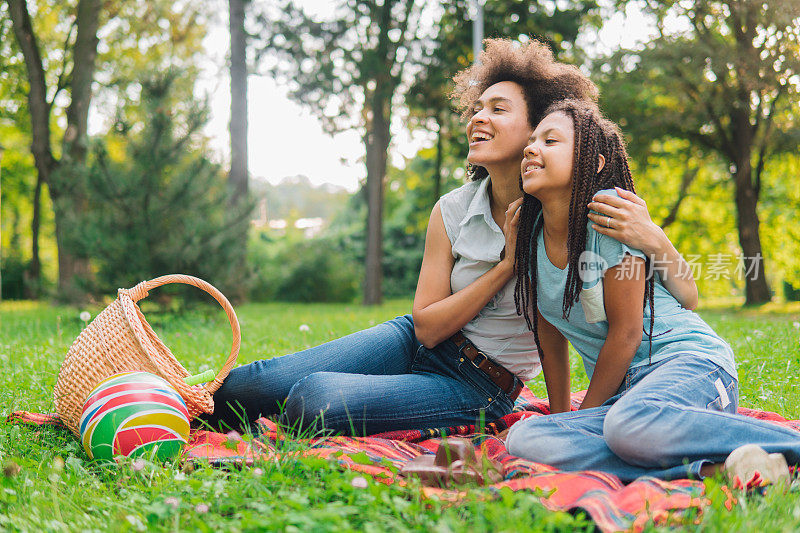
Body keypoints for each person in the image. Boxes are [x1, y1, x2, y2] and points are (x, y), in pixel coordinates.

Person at [201, 39, 697, 437]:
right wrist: (505, 266)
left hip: (479, 382)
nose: (478, 118)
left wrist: (564, 415)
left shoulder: (569, 217)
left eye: (498, 109)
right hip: (415, 341)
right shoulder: (453, 210)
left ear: (538, 128)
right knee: (250, 384)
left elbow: (567, 325)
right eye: (477, 107)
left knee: (316, 399)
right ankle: (154, 408)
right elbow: (426, 325)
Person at [504, 98, 798, 485]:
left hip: (688, 365)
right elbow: (550, 335)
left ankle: (788, 445)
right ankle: (715, 471)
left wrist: (584, 415)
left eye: (550, 141)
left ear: (592, 164)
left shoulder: (609, 217)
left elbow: (626, 334)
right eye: (532, 140)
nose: (530, 148)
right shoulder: (528, 234)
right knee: (527, 437)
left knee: (629, 425)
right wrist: (563, 417)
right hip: (625, 398)